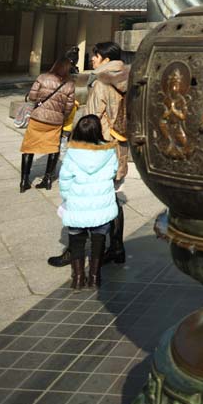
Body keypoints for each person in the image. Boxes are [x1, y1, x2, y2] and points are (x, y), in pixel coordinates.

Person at [48, 41, 129, 268]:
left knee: (82, 198)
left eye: (94, 55)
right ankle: (116, 248)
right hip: (118, 146)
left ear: (104, 57)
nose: (91, 59)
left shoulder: (102, 80)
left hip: (97, 147)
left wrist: (77, 141)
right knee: (112, 197)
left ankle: (74, 253)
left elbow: (92, 117)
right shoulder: (127, 78)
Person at [59, 114, 118, 290]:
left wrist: (67, 199)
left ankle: (77, 279)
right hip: (101, 206)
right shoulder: (109, 152)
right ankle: (94, 278)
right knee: (98, 241)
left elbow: (65, 181)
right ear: (98, 131)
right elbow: (113, 173)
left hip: (77, 205)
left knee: (76, 241)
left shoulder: (72, 154)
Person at [19, 57, 76, 192]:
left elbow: (32, 97)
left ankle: (24, 181)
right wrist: (62, 116)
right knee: (53, 148)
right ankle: (48, 179)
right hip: (55, 121)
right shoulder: (69, 84)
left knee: (29, 147)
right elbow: (69, 107)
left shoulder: (43, 77)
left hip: (37, 118)